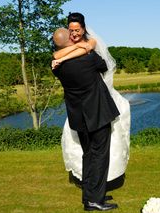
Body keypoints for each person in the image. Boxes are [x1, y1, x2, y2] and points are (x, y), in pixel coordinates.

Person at [52, 13, 130, 191]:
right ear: (68, 32)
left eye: (77, 30)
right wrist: (76, 50)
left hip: (78, 113)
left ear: (83, 29)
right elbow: (103, 65)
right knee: (100, 154)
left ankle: (90, 193)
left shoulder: (56, 66)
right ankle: (95, 197)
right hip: (96, 110)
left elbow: (60, 53)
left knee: (87, 154)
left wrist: (62, 57)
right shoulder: (90, 58)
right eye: (71, 31)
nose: (74, 34)